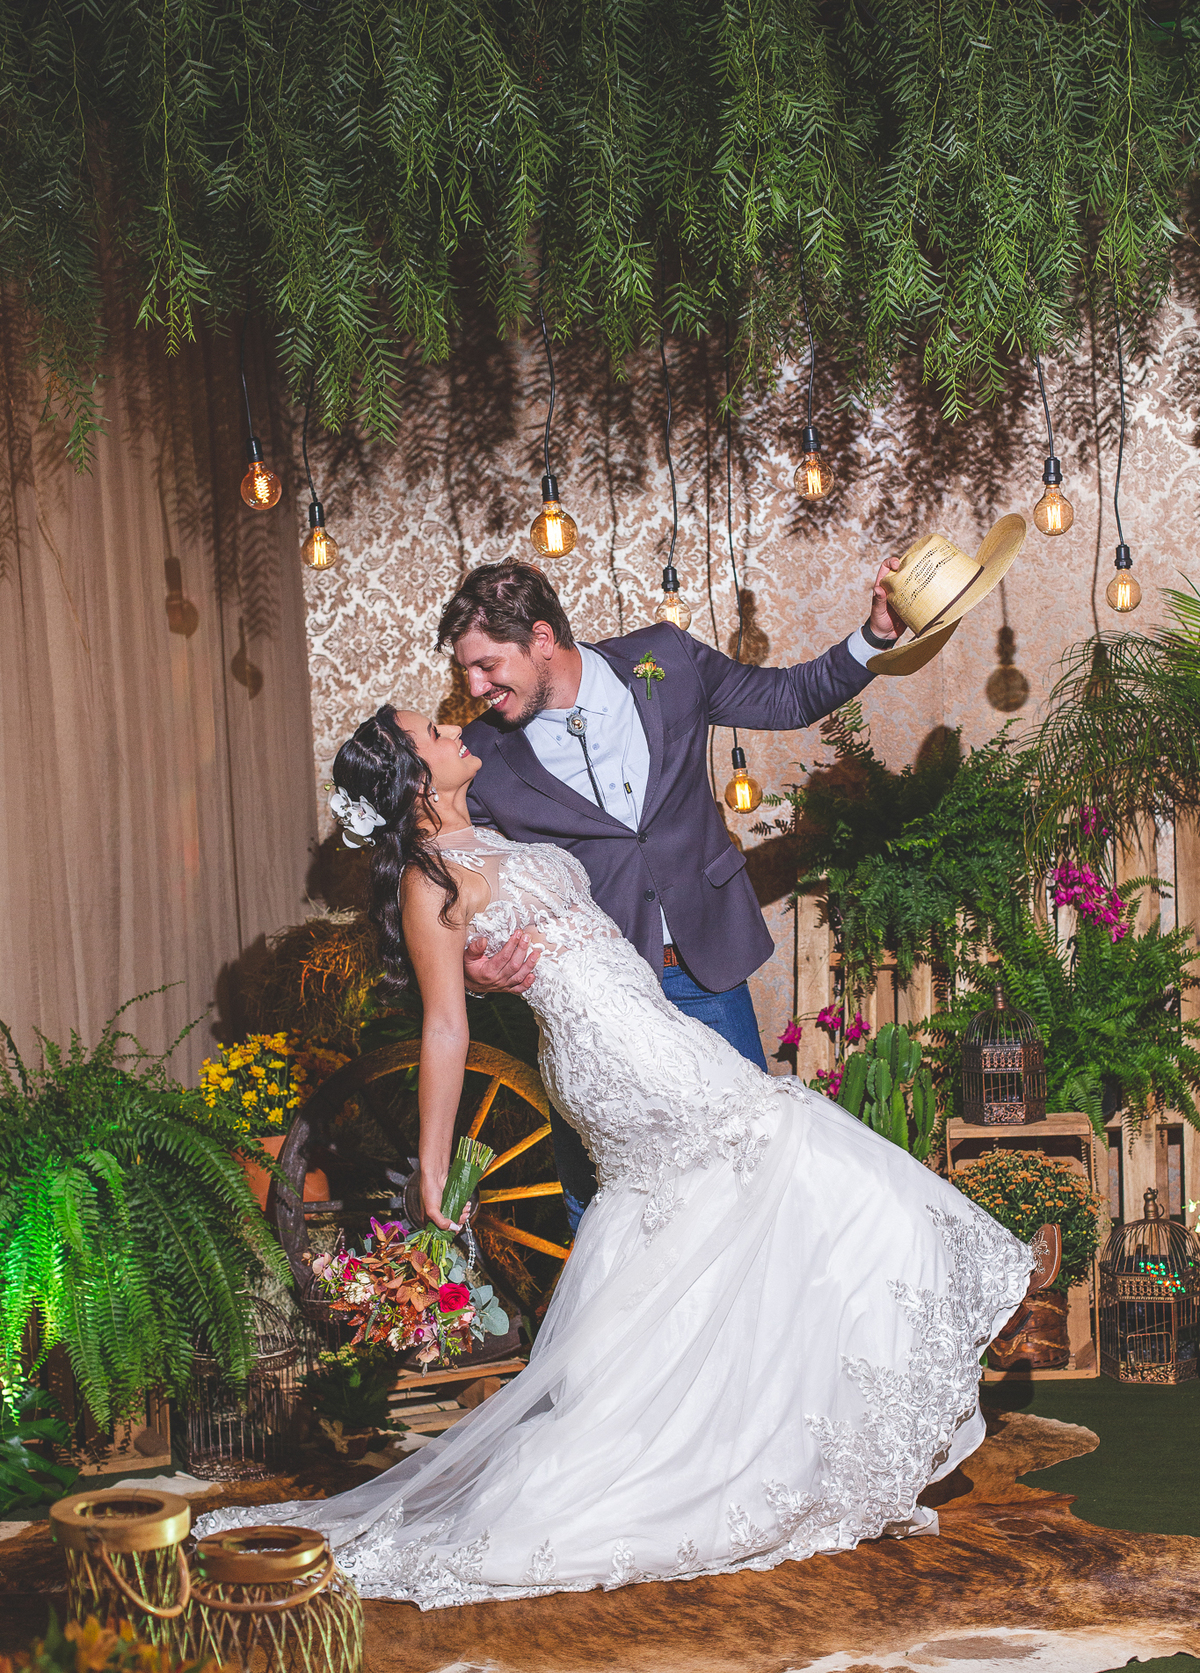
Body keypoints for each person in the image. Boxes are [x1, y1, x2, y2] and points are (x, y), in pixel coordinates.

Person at [198, 703, 1055, 1609]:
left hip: (651, 1028)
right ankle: (972, 1280)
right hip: (619, 1055)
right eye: (433, 736)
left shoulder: (489, 835)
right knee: (791, 1145)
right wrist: (433, 1163)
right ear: (414, 781)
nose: (453, 732)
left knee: (709, 1222)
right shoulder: (428, 880)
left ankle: (741, 1429)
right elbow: (444, 1024)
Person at [440, 559, 903, 1228]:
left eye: (486, 666)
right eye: (467, 672)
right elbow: (455, 886)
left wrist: (877, 634)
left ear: (541, 638)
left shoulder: (666, 659)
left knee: (752, 1164)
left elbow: (788, 697)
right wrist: (472, 971)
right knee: (608, 1197)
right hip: (599, 1002)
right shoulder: (480, 758)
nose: (475, 688)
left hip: (704, 963)